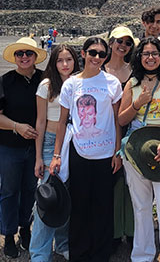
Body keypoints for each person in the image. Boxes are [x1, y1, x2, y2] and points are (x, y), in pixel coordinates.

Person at [50, 37, 123, 262]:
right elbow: (63, 122)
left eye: (102, 54)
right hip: (79, 152)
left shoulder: (112, 83)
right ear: (83, 53)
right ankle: (80, 253)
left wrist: (117, 152)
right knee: (79, 206)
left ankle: (101, 253)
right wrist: (56, 154)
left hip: (105, 153)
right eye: (93, 52)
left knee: (103, 206)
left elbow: (117, 120)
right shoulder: (71, 84)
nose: (97, 58)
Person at [118, 37, 160, 262]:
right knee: (141, 206)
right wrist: (139, 102)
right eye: (145, 54)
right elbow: (121, 119)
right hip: (137, 147)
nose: (150, 58)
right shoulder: (132, 83)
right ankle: (143, 255)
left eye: (154, 53)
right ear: (139, 57)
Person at [0, 37, 47, 258]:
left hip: (35, 146)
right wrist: (16, 127)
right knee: (10, 191)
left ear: (35, 57)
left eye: (28, 54)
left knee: (30, 189)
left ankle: (25, 228)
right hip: (9, 146)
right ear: (14, 57)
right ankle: (8, 234)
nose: (24, 57)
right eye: (20, 53)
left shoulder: (44, 80)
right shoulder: (5, 81)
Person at [30, 44, 76, 262]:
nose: (65, 64)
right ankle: (39, 253)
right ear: (53, 63)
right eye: (60, 60)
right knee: (48, 198)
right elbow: (40, 122)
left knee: (66, 197)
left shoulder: (78, 83)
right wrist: (38, 156)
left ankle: (63, 243)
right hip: (50, 143)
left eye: (69, 59)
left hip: (73, 144)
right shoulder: (46, 86)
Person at [103, 28, 137, 249]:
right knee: (112, 183)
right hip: (103, 130)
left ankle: (132, 230)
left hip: (130, 128)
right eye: (118, 41)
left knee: (132, 183)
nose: (122, 45)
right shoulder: (99, 67)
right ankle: (114, 232)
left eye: (127, 42)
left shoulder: (134, 71)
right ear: (110, 42)